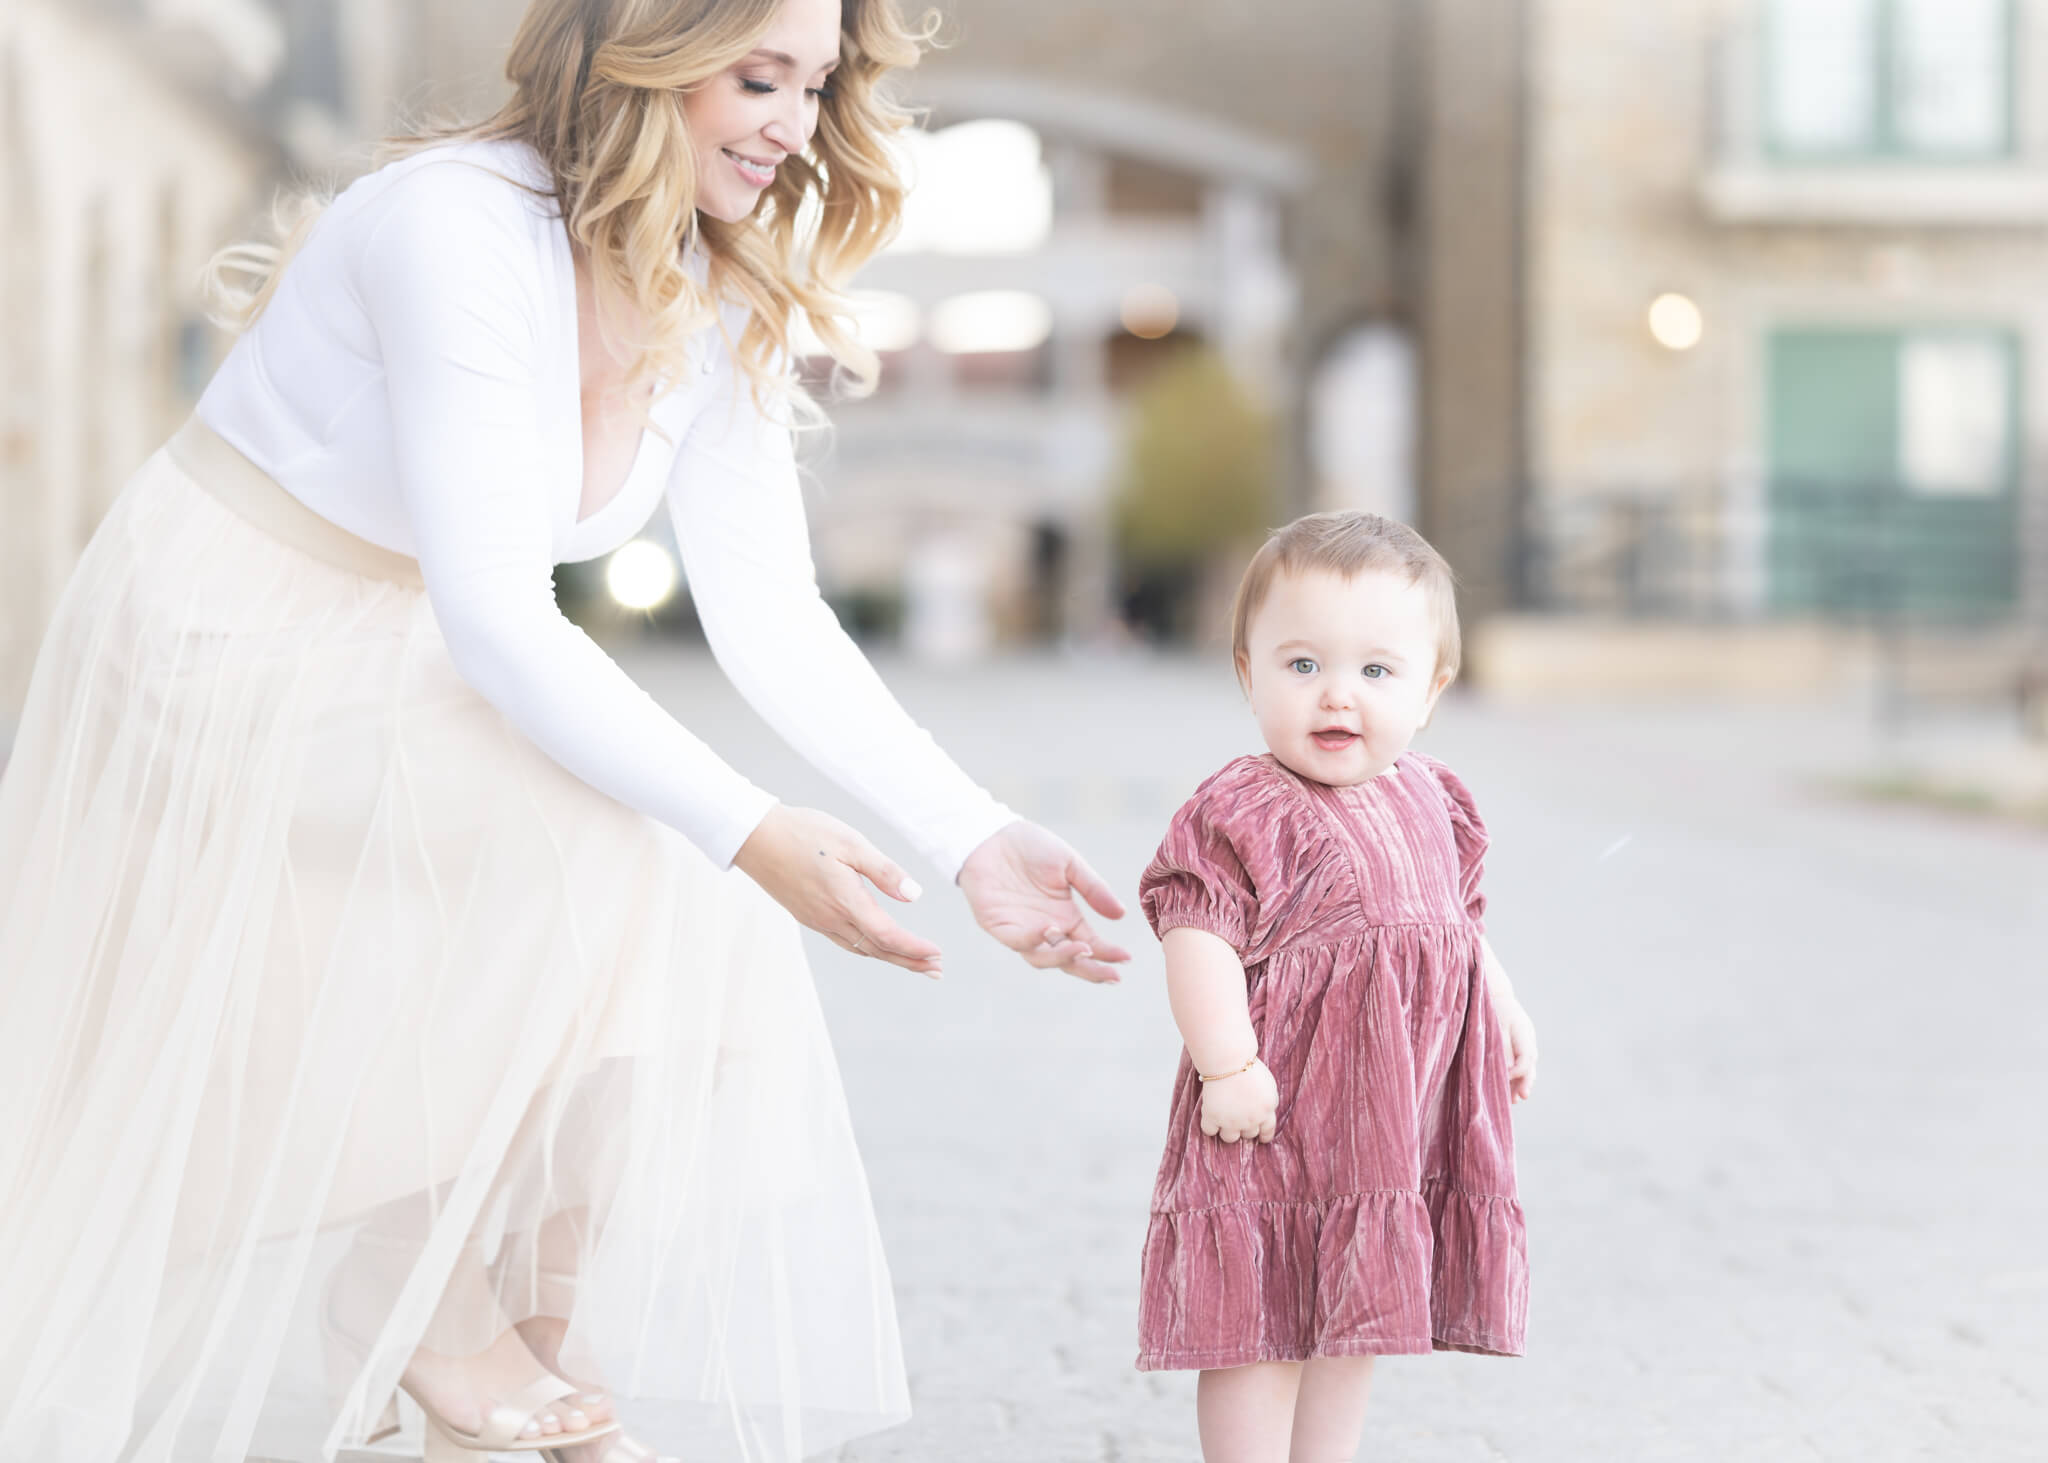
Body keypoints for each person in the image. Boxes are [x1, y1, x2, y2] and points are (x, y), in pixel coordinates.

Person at [0, 1, 1130, 1460]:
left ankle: (525, 1336)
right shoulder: (453, 227)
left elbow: (772, 613)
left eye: (815, 84)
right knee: (628, 847)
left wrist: (971, 834)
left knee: (676, 885)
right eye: (757, 74)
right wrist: (753, 827)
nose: (793, 121)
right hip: (219, 627)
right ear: (638, 53)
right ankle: (409, 1294)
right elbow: (498, 618)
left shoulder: (717, 280)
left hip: (396, 635)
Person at [1133, 512, 1538, 1463]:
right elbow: (1197, 933)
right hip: (1275, 1127)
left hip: (1382, 1135)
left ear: (1433, 688)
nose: (1337, 698)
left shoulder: (1434, 798)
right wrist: (1226, 1061)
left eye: (1376, 671)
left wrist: (1505, 1006)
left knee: (1357, 1324)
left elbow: (1458, 923)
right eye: (1302, 665)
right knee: (1262, 1324)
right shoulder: (1243, 806)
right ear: (1247, 671)